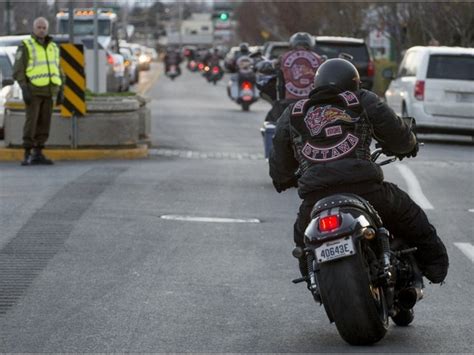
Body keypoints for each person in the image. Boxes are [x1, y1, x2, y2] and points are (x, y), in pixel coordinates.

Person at [269, 58, 449, 285]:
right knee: (411, 217)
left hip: (316, 197)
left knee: (302, 242)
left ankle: (314, 280)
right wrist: (409, 144)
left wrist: (283, 178)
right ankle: (435, 267)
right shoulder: (362, 100)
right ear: (354, 83)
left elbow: (279, 155)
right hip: (365, 188)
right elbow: (396, 133)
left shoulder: (293, 112)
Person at [13, 17, 64, 166]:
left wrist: (61, 90)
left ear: (47, 29)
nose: (41, 30)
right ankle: (27, 153)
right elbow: (18, 69)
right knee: (32, 122)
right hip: (33, 91)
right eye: (39, 27)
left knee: (45, 123)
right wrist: (24, 88)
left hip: (49, 91)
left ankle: (38, 152)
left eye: (44, 28)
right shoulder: (26, 46)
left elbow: (58, 69)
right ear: (34, 29)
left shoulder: (53, 47)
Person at [263, 32, 323, 123]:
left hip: (289, 101)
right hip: (311, 102)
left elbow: (272, 66)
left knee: (271, 124)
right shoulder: (318, 58)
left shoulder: (284, 57)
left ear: (293, 44)